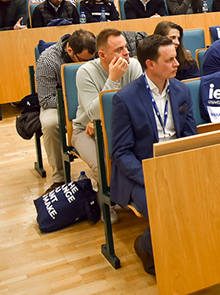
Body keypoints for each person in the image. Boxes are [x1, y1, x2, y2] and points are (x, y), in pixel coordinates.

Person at [110, 34, 197, 276]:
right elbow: (120, 152)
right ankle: (145, 245)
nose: (177, 63)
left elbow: (190, 135)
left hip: (175, 163)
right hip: (141, 170)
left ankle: (219, 256)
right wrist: (149, 174)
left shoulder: (181, 90)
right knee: (167, 206)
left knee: (212, 192)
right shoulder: (124, 99)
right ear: (150, 64)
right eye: (169, 60)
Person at [75, 28, 145, 185]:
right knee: (104, 167)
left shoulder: (133, 65)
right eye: (119, 49)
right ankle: (105, 207)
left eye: (126, 47)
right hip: (85, 130)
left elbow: (139, 105)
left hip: (122, 126)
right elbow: (94, 114)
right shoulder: (84, 72)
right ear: (102, 55)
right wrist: (113, 79)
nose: (126, 52)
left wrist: (105, 120)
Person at [34, 29, 97, 193]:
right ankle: (59, 178)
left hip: (92, 98)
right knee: (50, 124)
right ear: (70, 51)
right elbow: (46, 100)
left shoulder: (95, 53)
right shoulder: (48, 61)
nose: (87, 63)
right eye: (83, 60)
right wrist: (73, 102)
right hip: (59, 104)